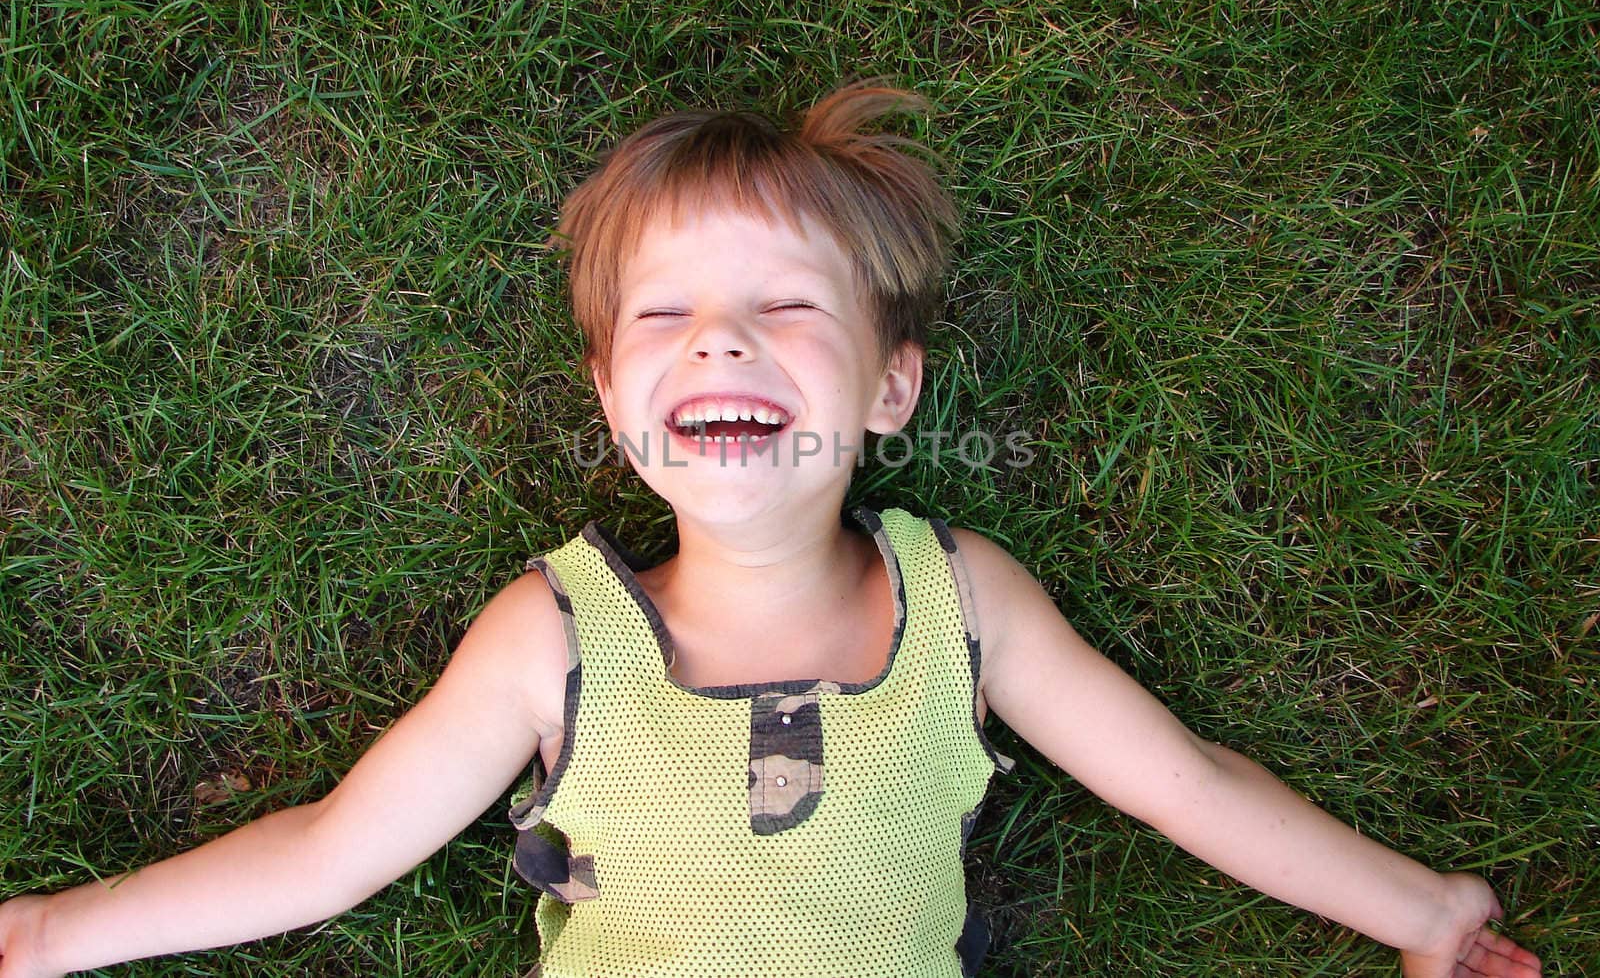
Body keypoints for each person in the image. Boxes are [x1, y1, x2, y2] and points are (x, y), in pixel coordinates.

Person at [0, 83, 1543, 978]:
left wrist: (1422, 913)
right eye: (666, 317)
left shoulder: (961, 606)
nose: (721, 345)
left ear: (890, 388)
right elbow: (333, 852)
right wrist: (48, 937)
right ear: (614, 406)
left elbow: (1186, 784)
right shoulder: (554, 638)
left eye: (785, 311)